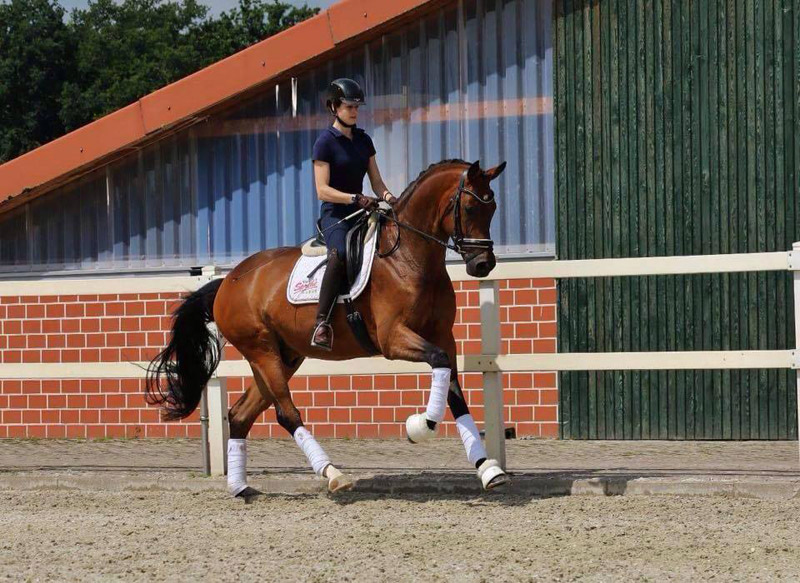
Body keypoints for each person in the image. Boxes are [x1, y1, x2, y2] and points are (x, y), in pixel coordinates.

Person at [310, 78, 397, 351]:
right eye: (349, 107)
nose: (355, 112)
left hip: (363, 211)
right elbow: (322, 190)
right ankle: (321, 323)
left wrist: (391, 199)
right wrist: (354, 198)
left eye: (357, 108)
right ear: (334, 107)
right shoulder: (325, 142)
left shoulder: (363, 140)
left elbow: (377, 182)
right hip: (336, 214)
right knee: (341, 255)